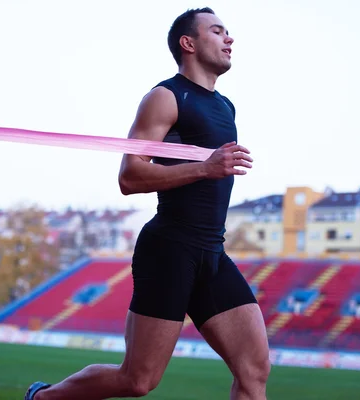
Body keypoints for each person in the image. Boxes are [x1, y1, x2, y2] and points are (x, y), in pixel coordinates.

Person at [25, 7, 270, 400]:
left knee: (254, 371)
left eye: (229, 32)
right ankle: (42, 398)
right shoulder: (165, 97)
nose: (230, 39)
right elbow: (129, 176)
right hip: (170, 248)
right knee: (138, 380)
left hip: (212, 251)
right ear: (188, 43)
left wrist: (208, 168)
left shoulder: (226, 106)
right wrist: (204, 168)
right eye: (218, 31)